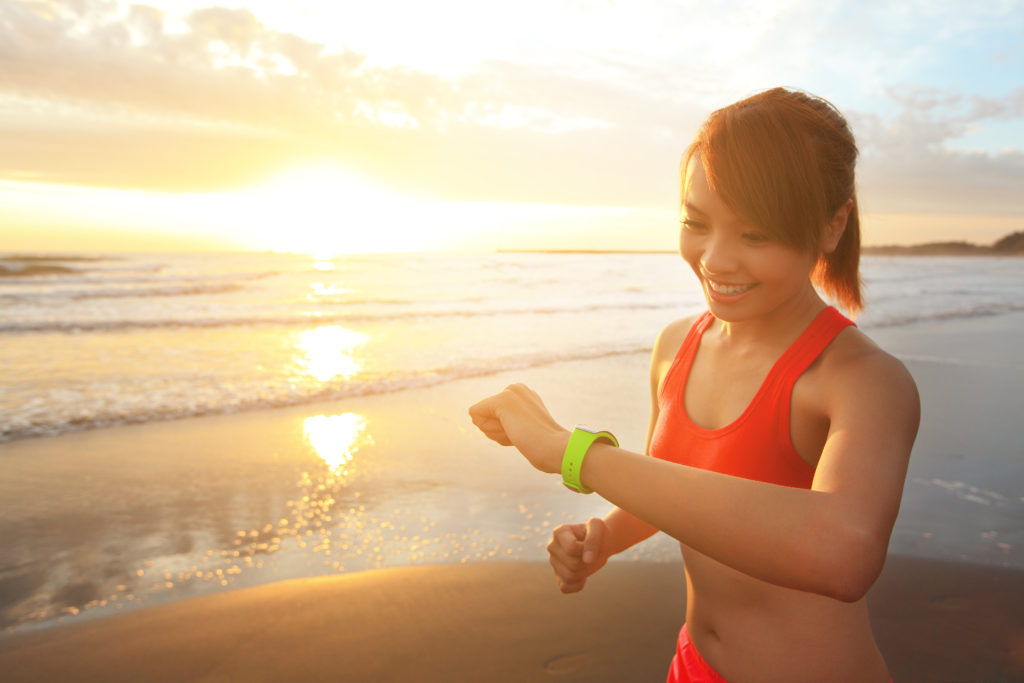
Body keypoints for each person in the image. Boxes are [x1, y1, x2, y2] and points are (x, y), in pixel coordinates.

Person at [468, 87, 920, 682]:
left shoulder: (862, 381)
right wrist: (605, 533)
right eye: (695, 223)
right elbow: (671, 488)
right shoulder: (675, 346)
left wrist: (571, 452)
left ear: (831, 226)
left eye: (755, 235)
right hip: (694, 665)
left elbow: (843, 553)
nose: (716, 259)